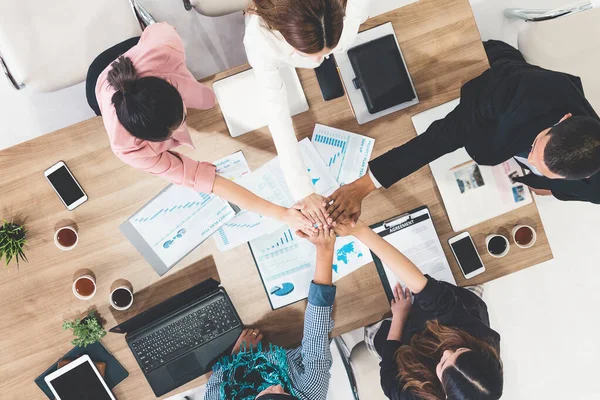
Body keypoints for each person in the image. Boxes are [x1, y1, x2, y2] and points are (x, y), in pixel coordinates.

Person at [326, 40, 600, 223]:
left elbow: (561, 189)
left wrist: (550, 187)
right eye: (535, 150)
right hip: (491, 73)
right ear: (564, 119)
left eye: (542, 167)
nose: (530, 160)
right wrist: (363, 186)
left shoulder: (595, 188)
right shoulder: (517, 93)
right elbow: (443, 136)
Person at [89, 22, 314, 235]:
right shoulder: (127, 149)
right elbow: (202, 179)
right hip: (100, 85)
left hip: (143, 57)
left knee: (208, 101)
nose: (180, 133)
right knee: (208, 102)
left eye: (181, 119)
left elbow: (162, 29)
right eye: (169, 136)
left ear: (170, 85)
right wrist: (282, 214)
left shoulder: (165, 45)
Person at [335, 220, 503, 400]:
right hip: (452, 312)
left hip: (401, 343)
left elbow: (389, 372)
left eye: (445, 363)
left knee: (373, 327)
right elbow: (427, 289)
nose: (446, 352)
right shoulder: (482, 340)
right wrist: (360, 230)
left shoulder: (413, 395)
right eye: (459, 351)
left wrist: (399, 317)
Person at [244, 0, 372, 227]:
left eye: (326, 52)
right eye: (306, 53)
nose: (317, 62)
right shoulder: (260, 38)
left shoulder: (352, 10)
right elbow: (275, 110)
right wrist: (301, 188)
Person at [204, 226, 338, 400]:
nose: (278, 386)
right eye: (286, 394)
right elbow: (316, 332)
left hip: (242, 352)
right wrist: (325, 249)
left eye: (270, 393)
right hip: (292, 345)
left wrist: (237, 355)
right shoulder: (311, 392)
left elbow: (215, 382)